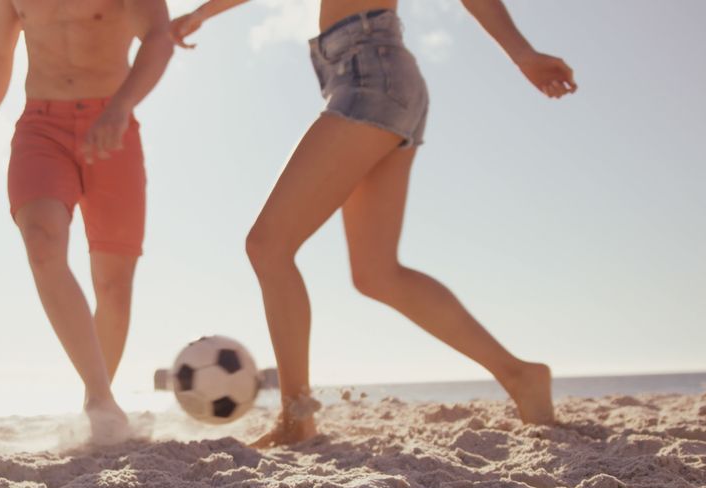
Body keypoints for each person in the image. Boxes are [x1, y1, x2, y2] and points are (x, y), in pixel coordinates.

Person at [170, 0, 576, 447]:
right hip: (374, 76)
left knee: (268, 246)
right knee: (377, 273)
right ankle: (520, 375)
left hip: (371, 74)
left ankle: (296, 416)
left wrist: (522, 53)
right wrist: (203, 13)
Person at [0, 0, 174, 444]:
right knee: (41, 242)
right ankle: (102, 401)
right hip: (41, 127)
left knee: (113, 286)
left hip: (113, 123)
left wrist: (121, 105)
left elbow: (159, 37)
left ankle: (97, 404)